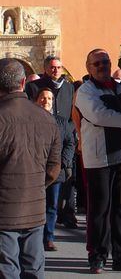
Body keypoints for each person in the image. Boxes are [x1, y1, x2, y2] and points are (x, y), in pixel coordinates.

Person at [0, 58, 61, 278]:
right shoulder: (46, 119)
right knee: (34, 268)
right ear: (24, 82)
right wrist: (36, 184)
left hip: (5, 209)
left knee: (7, 269)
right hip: (35, 207)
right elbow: (54, 167)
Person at [74, 49, 121, 273]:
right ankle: (97, 255)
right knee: (99, 209)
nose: (102, 67)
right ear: (88, 67)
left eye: (105, 62)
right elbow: (99, 116)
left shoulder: (120, 88)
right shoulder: (86, 92)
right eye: (97, 63)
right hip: (99, 158)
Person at [26, 56, 79, 229]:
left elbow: (73, 113)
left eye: (58, 67)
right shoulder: (34, 87)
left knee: (65, 185)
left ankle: (66, 214)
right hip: (40, 148)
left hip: (64, 141)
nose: (56, 70)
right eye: (52, 67)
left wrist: (69, 129)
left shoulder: (69, 88)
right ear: (45, 68)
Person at [31, 89, 75, 252]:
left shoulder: (62, 122)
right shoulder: (29, 120)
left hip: (55, 171)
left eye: (49, 98)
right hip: (34, 170)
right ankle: (33, 237)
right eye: (43, 98)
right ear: (36, 100)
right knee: (34, 205)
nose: (46, 101)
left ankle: (48, 237)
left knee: (52, 205)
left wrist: (63, 162)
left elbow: (69, 143)